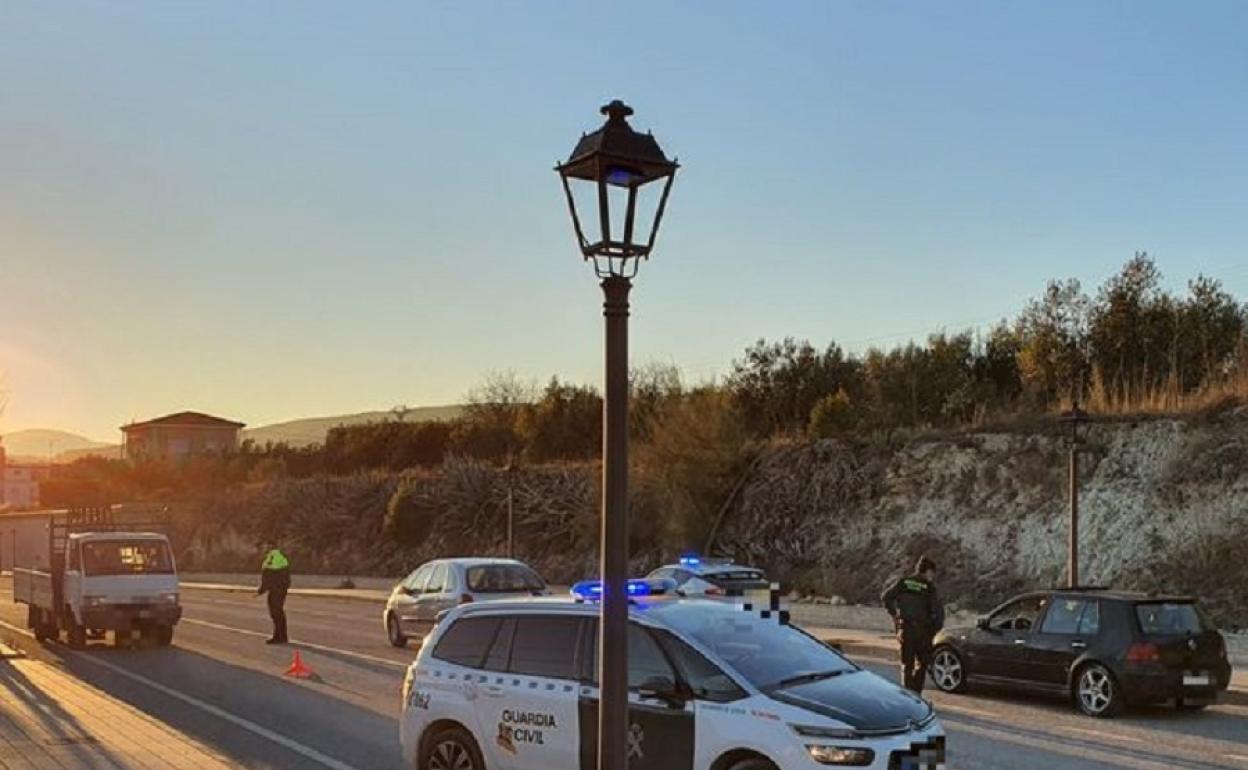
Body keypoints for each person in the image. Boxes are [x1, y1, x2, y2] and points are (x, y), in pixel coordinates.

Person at [881, 555, 944, 694]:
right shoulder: (929, 587)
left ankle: (907, 694)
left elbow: (886, 597)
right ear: (927, 571)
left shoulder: (904, 582)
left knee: (907, 665)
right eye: (932, 573)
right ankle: (916, 693)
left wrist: (895, 615)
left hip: (906, 629)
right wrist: (935, 630)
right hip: (923, 632)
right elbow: (938, 611)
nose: (932, 577)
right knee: (922, 664)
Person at [257, 541, 291, 644]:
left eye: (264, 546)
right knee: (277, 612)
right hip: (280, 588)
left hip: (276, 589)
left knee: (276, 612)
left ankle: (279, 637)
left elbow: (269, 575)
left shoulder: (273, 557)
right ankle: (281, 635)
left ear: (269, 547)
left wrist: (262, 589)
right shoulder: (278, 556)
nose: (262, 549)